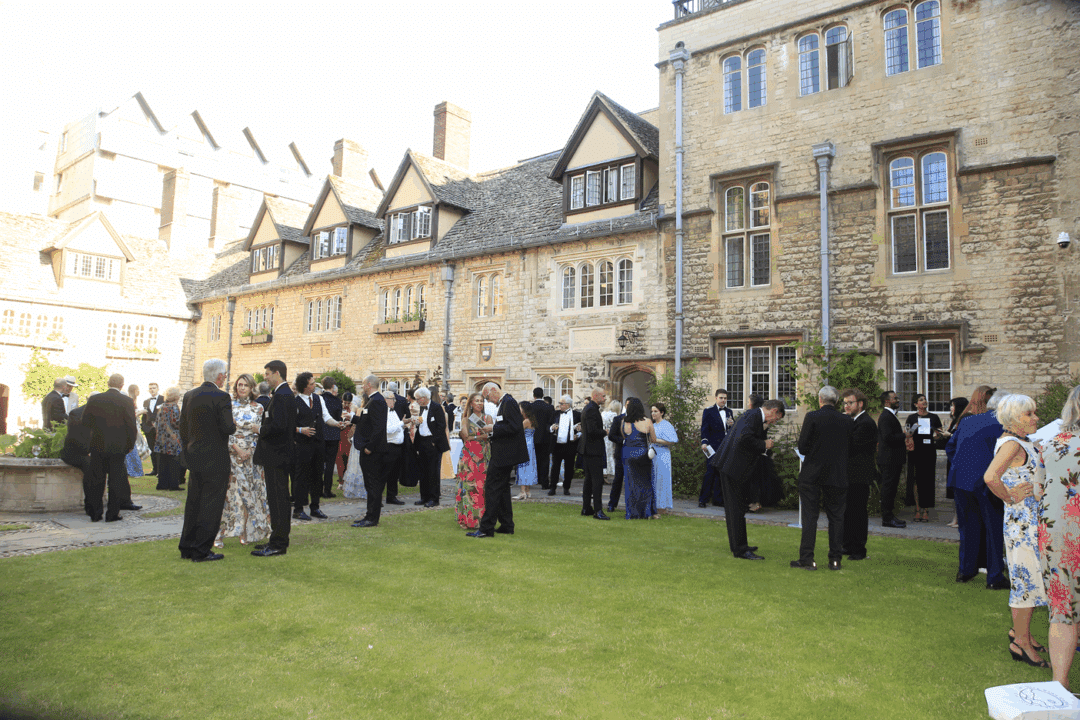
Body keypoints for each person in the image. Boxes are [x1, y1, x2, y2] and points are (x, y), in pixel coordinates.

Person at [981, 393, 1048, 668]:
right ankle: (1020, 642)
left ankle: (1023, 633)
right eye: (1029, 414)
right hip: (1023, 523)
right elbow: (989, 477)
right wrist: (1009, 496)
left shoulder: (1020, 441)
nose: (1036, 418)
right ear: (1013, 419)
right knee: (1025, 580)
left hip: (1029, 521)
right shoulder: (1010, 444)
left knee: (1030, 577)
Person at [1037, 385, 1080, 689]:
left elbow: (1040, 491)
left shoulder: (1048, 444)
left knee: (1063, 610)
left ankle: (1059, 687)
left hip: (1057, 534)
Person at [947, 387, 1009, 588]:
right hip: (985, 482)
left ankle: (966, 570)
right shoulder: (1002, 424)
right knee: (993, 529)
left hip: (960, 480)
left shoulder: (967, 421)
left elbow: (950, 447)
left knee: (968, 528)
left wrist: (963, 465)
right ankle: (994, 577)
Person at [177, 358, 236, 562]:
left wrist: (189, 447)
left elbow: (182, 427)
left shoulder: (189, 395)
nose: (226, 378)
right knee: (211, 505)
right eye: (225, 374)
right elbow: (229, 428)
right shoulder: (222, 397)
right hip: (215, 459)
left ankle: (187, 546)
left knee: (193, 502)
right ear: (219, 376)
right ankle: (201, 550)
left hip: (195, 456)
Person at [716, 399, 787, 560]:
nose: (775, 421)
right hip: (732, 468)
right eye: (777, 418)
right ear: (774, 411)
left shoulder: (755, 416)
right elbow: (744, 438)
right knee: (735, 509)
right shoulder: (754, 416)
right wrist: (764, 444)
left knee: (739, 508)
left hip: (734, 468)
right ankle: (740, 550)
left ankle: (740, 544)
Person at [793, 386, 853, 571]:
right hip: (837, 474)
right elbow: (850, 447)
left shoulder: (812, 417)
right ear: (835, 401)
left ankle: (807, 559)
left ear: (820, 399)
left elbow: (802, 447)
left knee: (810, 517)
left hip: (813, 473)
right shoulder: (847, 420)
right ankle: (835, 560)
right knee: (836, 517)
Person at [215, 374, 271, 547]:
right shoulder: (228, 406)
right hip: (232, 454)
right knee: (230, 495)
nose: (242, 388)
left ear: (252, 387)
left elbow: (259, 432)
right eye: (239, 384)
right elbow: (223, 431)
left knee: (251, 494)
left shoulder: (259, 408)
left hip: (252, 456)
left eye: (246, 385)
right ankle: (220, 534)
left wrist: (250, 449)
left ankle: (246, 531)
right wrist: (237, 449)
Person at [470, 382, 528, 538]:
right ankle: (506, 525)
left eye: (487, 397)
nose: (488, 401)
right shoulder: (506, 403)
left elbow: (515, 427)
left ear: (494, 391)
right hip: (503, 453)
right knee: (502, 489)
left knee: (491, 488)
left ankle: (486, 528)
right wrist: (492, 430)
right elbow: (508, 426)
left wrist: (493, 428)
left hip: (505, 455)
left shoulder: (509, 403)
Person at [251, 360, 296, 557]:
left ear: (277, 373)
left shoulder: (283, 395)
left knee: (278, 500)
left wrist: (259, 429)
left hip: (277, 456)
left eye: (267, 374)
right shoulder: (280, 394)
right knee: (276, 499)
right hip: (276, 456)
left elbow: (279, 426)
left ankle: (278, 543)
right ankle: (276, 538)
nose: (265, 378)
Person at [83, 373, 139, 522]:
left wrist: (88, 445)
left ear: (108, 383)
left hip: (98, 445)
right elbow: (131, 427)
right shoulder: (126, 401)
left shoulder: (95, 399)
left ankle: (95, 513)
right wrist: (129, 445)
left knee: (97, 480)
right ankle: (113, 513)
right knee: (115, 481)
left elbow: (86, 423)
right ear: (122, 385)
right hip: (118, 447)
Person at [292, 372, 341, 521]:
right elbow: (289, 425)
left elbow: (326, 417)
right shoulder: (295, 402)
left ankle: (315, 507)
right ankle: (298, 509)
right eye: (312, 383)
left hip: (318, 443)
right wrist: (302, 430)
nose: (315, 385)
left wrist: (338, 424)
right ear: (305, 386)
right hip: (302, 445)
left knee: (317, 475)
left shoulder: (318, 398)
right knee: (301, 476)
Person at [349, 375, 391, 529]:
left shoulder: (378, 401)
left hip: (373, 450)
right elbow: (367, 422)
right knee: (369, 484)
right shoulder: (372, 401)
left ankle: (373, 518)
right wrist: (352, 419)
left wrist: (370, 447)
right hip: (367, 447)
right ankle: (369, 514)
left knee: (373, 484)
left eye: (362, 384)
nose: (361, 387)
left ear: (368, 385)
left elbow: (379, 427)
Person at [841, 388, 877, 561]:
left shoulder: (865, 423)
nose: (846, 406)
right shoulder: (852, 421)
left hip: (859, 475)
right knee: (848, 512)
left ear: (860, 404)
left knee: (858, 512)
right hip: (849, 474)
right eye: (845, 403)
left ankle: (859, 549)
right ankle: (847, 545)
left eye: (850, 403)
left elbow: (851, 446)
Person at [455, 392, 491, 529]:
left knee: (482, 488)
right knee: (469, 488)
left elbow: (490, 436)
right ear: (471, 403)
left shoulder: (488, 418)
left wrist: (479, 437)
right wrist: (480, 437)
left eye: (481, 401)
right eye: (477, 401)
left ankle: (482, 519)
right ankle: (468, 519)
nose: (480, 403)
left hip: (484, 456)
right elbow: (466, 438)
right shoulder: (466, 419)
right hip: (468, 457)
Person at [905, 393, 942, 522]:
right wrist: (915, 426)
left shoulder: (934, 417)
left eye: (925, 399)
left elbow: (940, 434)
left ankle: (926, 510)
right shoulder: (911, 417)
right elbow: (907, 434)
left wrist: (935, 434)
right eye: (921, 400)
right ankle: (917, 509)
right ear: (916, 404)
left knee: (927, 480)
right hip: (916, 452)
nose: (924, 401)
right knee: (916, 480)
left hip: (929, 451)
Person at [876, 390, 908, 529]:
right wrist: (905, 435)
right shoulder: (885, 417)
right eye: (895, 398)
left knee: (891, 488)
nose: (898, 400)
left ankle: (890, 516)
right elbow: (888, 438)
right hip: (889, 459)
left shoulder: (890, 416)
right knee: (888, 488)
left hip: (893, 459)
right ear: (887, 401)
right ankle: (887, 518)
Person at [577, 387, 610, 520]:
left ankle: (586, 508)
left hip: (589, 449)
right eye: (603, 396)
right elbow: (592, 431)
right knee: (596, 480)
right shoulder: (591, 409)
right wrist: (605, 432)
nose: (605, 398)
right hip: (592, 449)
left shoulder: (591, 408)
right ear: (596, 396)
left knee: (589, 480)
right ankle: (598, 510)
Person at [413, 386, 449, 507]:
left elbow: (441, 425)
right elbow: (425, 424)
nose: (417, 401)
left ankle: (434, 498)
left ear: (424, 398)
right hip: (422, 442)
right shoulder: (422, 409)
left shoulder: (436, 407)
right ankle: (424, 497)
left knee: (433, 471)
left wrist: (434, 441)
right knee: (423, 471)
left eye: (418, 399)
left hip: (433, 442)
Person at [698, 388, 734, 508]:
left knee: (721, 473)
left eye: (725, 398)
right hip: (712, 446)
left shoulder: (729, 412)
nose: (723, 400)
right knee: (710, 472)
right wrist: (704, 442)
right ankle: (703, 499)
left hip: (725, 446)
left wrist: (732, 425)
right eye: (721, 398)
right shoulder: (708, 411)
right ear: (716, 398)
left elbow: (729, 431)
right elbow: (704, 429)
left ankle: (718, 500)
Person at [621, 397, 656, 520]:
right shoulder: (647, 421)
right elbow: (653, 439)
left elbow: (624, 435)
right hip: (643, 454)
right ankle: (646, 512)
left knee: (631, 484)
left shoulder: (624, 421)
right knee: (645, 483)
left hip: (627, 454)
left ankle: (631, 513)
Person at [938, 396, 969, 528]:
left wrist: (948, 435)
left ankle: (960, 518)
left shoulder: (964, 420)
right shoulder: (954, 421)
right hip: (952, 459)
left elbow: (961, 439)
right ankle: (956, 517)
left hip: (960, 459)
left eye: (953, 406)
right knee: (955, 490)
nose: (951, 408)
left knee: (959, 489)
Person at [59, 395, 93, 517]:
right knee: (89, 466)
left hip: (89, 451)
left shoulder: (100, 414)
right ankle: (90, 505)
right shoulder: (76, 413)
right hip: (74, 452)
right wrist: (90, 451)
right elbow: (76, 437)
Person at [153, 387, 184, 491]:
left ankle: (162, 484)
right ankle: (173, 485)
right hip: (172, 439)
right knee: (174, 463)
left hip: (161, 438)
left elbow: (157, 423)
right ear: (176, 396)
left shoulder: (162, 406)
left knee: (162, 463)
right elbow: (176, 423)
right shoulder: (174, 407)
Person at [549, 395, 580, 496]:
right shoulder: (555, 413)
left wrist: (578, 435)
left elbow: (582, 428)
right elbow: (548, 426)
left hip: (570, 444)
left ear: (568, 405)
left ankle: (566, 487)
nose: (559, 405)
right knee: (555, 467)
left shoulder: (577, 415)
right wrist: (551, 428)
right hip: (557, 444)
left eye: (561, 404)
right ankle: (552, 487)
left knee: (569, 468)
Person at [651, 402, 678, 517]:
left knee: (662, 480)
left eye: (655, 411)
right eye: (652, 411)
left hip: (663, 455)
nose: (653, 413)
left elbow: (673, 440)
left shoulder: (666, 425)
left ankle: (662, 506)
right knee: (654, 480)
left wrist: (656, 440)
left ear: (661, 413)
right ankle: (654, 505)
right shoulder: (652, 425)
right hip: (653, 455)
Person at [320, 376, 344, 499]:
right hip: (333, 434)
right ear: (333, 386)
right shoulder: (337, 400)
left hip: (322, 433)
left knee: (319, 463)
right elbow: (338, 416)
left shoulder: (319, 398)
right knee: (330, 464)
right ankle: (327, 490)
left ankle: (318, 488)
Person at [530, 387, 554, 491]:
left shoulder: (530, 407)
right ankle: (544, 482)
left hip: (533, 435)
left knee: (533, 459)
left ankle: (534, 480)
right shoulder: (549, 407)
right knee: (544, 460)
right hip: (545, 436)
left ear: (534, 395)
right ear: (542, 395)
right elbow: (551, 422)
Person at [515, 402, 539, 500]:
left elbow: (517, 431)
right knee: (529, 466)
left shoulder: (526, 421)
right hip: (530, 445)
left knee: (523, 467)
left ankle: (522, 491)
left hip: (525, 445)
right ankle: (527, 491)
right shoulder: (532, 420)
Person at [606, 402, 626, 513]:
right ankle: (612, 504)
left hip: (633, 454)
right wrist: (623, 441)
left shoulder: (639, 420)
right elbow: (611, 435)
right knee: (618, 479)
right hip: (620, 453)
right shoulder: (618, 419)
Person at [124, 385, 147, 479]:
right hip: (133, 426)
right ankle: (134, 470)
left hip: (136, 424)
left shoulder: (133, 400)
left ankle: (134, 470)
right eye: (138, 390)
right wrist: (141, 412)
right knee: (134, 448)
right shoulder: (130, 400)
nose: (139, 392)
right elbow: (131, 415)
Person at [142, 383, 163, 476]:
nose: (152, 390)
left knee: (159, 450)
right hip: (148, 430)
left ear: (158, 388)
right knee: (152, 450)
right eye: (150, 388)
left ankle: (160, 471)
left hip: (159, 429)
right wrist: (144, 427)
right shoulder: (146, 401)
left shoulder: (163, 399)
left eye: (154, 388)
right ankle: (154, 469)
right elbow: (144, 416)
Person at [336, 392, 355, 490]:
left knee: (348, 460)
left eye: (348, 403)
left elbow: (355, 422)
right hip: (340, 436)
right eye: (344, 402)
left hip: (348, 437)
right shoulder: (339, 409)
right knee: (339, 460)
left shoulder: (353, 411)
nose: (346, 405)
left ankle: (347, 480)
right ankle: (340, 481)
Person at [602, 400, 621, 478]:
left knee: (605, 454)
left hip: (603, 435)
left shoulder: (603, 413)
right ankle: (609, 472)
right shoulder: (614, 415)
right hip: (610, 436)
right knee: (609, 454)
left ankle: (604, 471)